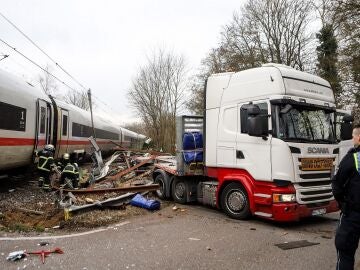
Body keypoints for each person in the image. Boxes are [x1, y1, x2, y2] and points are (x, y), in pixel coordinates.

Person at [332, 124, 360, 270]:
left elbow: (337, 185)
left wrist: (343, 204)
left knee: (345, 253)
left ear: (359, 138)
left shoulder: (353, 158)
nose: (352, 139)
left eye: (354, 136)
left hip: (353, 214)